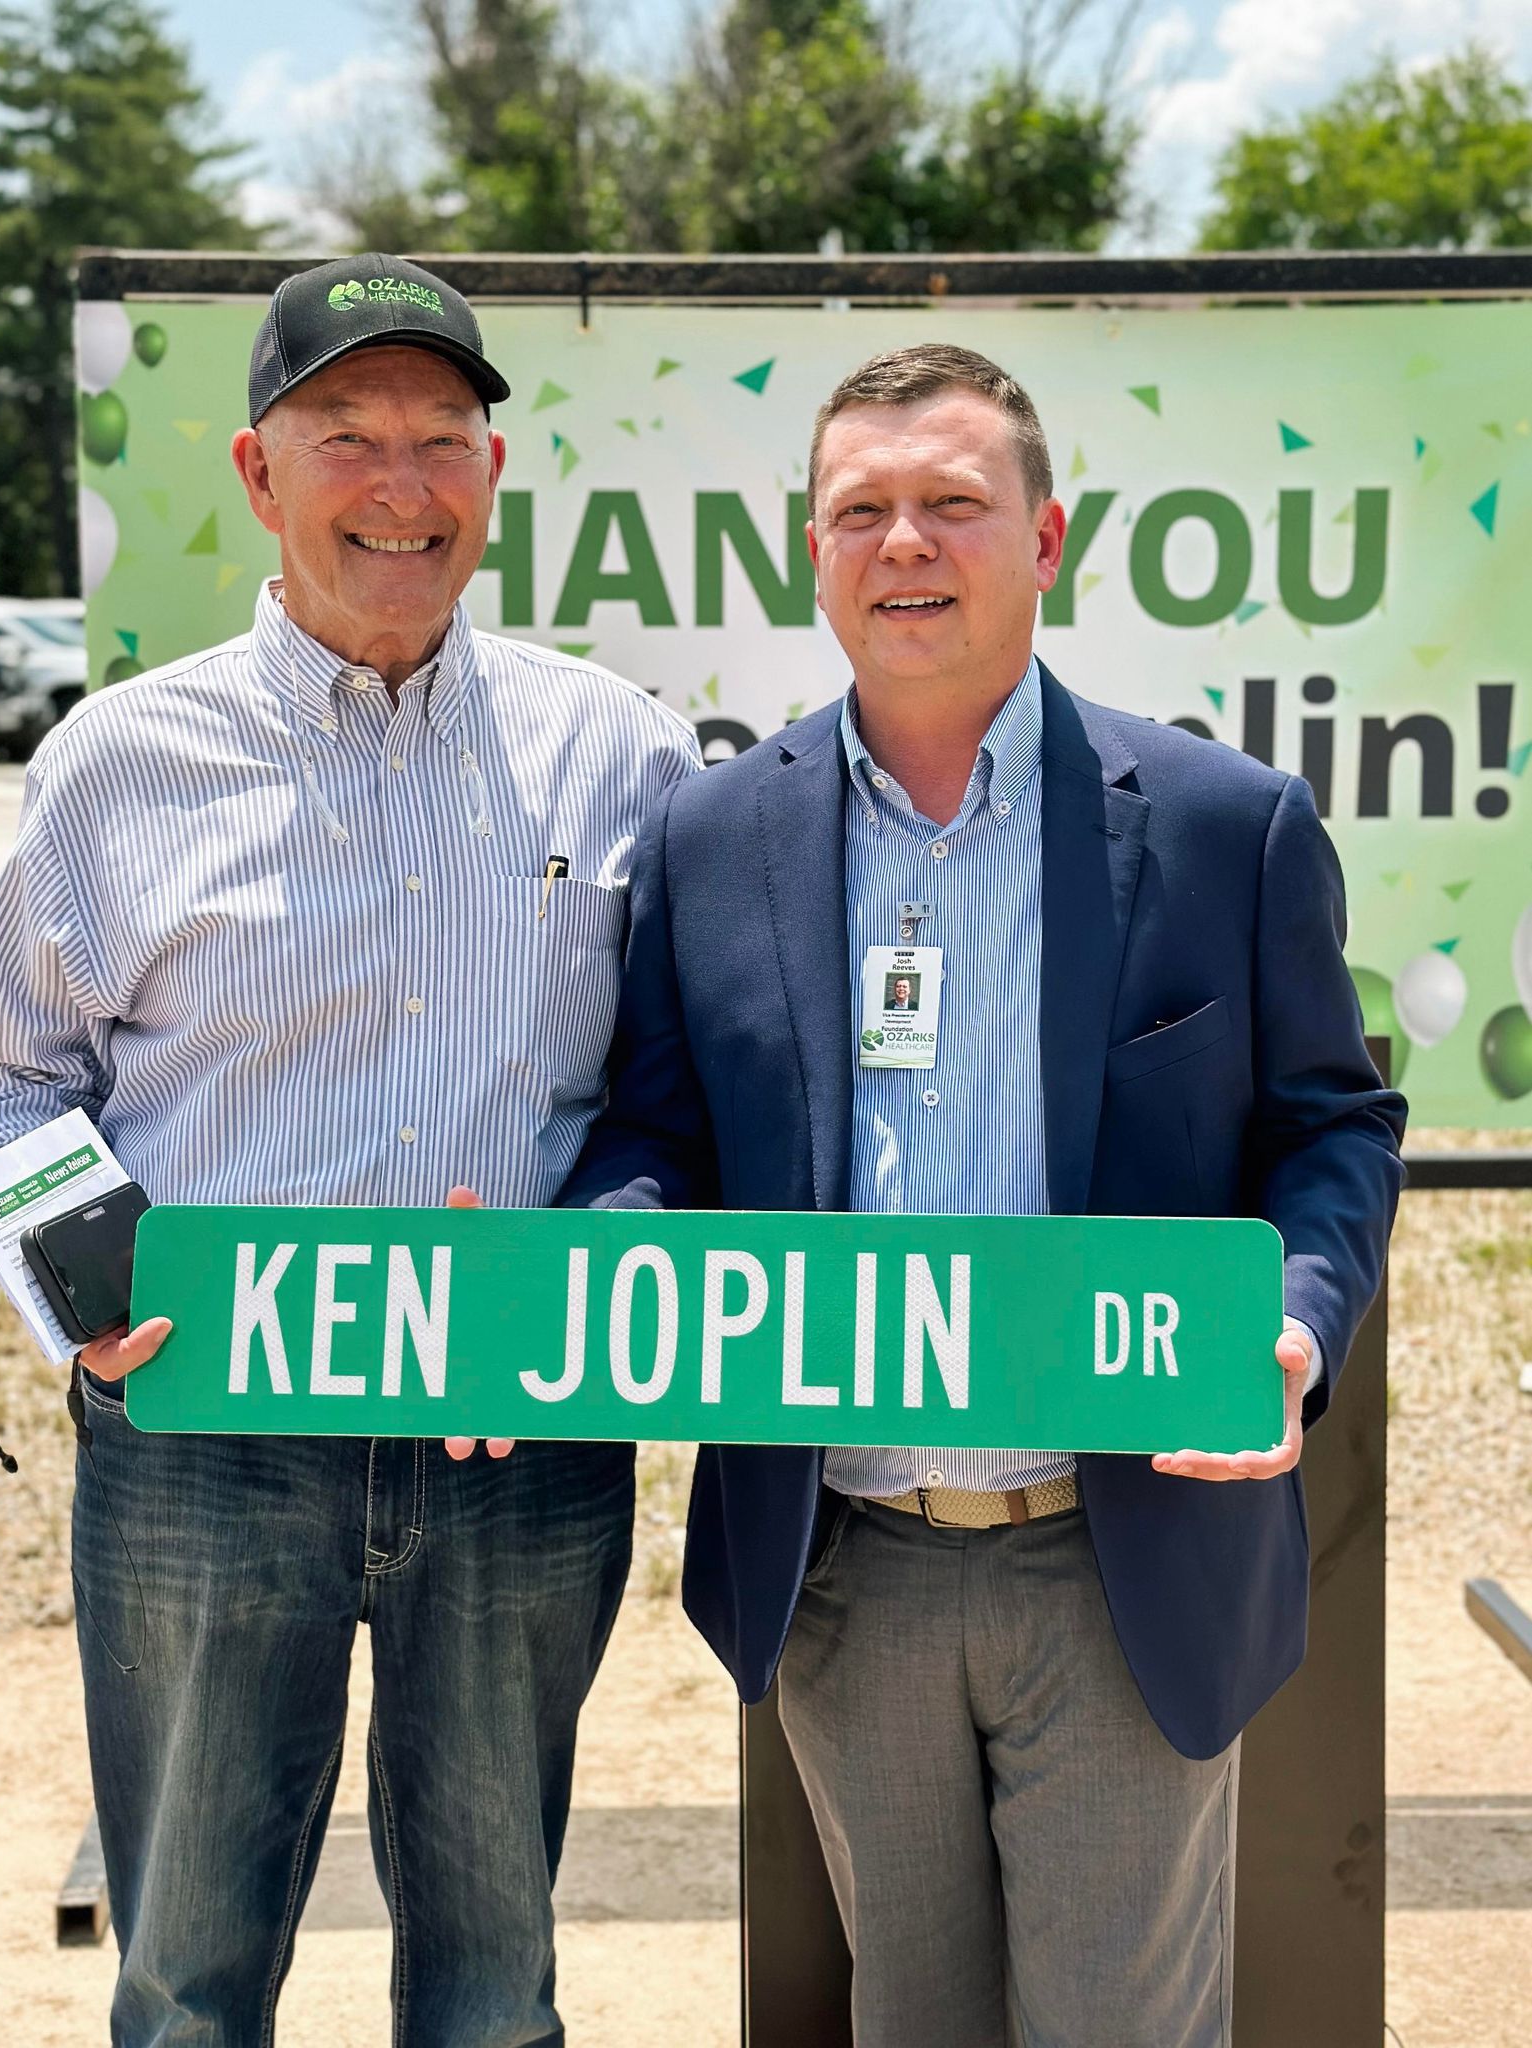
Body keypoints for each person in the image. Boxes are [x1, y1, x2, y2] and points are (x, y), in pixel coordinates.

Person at [562, 342, 1405, 2046]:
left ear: (1049, 538)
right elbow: (655, 1143)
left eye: (953, 503)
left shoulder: (1225, 825)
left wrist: (1295, 1326)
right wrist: (594, 1275)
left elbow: (1330, 1128)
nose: (904, 544)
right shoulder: (717, 838)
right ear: (808, 551)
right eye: (858, 510)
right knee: (908, 2021)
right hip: (840, 1564)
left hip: (1120, 1552)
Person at [0, 254, 701, 2048]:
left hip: (518, 1444)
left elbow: (670, 1101)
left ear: (494, 476)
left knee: (496, 1992)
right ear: (262, 478)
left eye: (441, 435)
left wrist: (587, 1268)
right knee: (188, 1986)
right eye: (344, 434)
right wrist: (93, 1294)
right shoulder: (121, 761)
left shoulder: (623, 757)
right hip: (203, 1442)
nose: (398, 483)